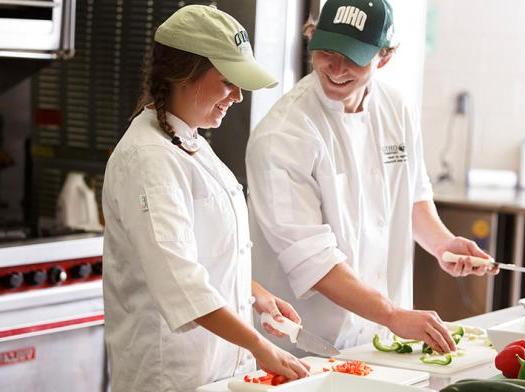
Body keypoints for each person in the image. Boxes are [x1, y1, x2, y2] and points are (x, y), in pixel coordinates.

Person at [246, 0, 498, 356]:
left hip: (382, 341)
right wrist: (393, 315)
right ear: (311, 37)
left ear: (384, 56)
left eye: (352, 55)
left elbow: (411, 195)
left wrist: (442, 243)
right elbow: (313, 263)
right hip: (304, 346)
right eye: (326, 51)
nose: (335, 67)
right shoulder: (284, 135)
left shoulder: (397, 108)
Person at [101, 5, 310, 392]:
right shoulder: (148, 158)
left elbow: (206, 253)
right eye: (229, 81)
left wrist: (257, 295)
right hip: (171, 377)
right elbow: (181, 280)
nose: (238, 96)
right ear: (184, 74)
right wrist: (260, 346)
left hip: (215, 370)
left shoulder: (187, 139)